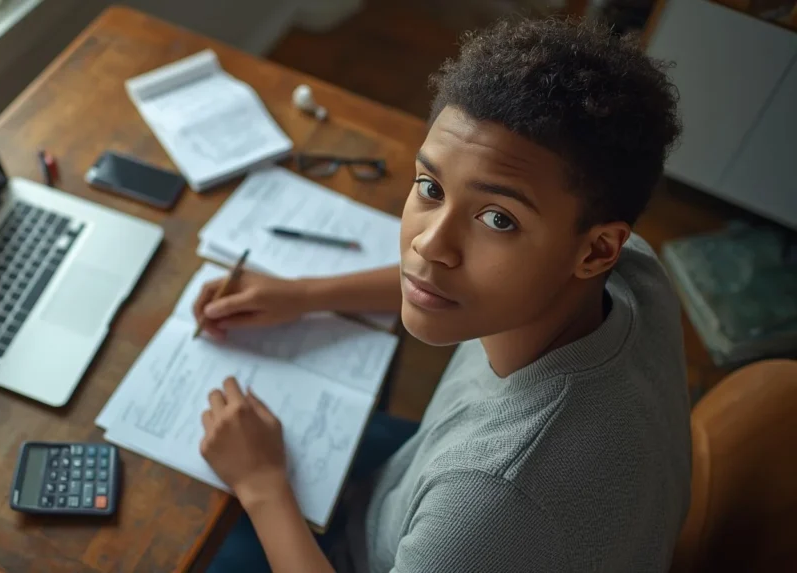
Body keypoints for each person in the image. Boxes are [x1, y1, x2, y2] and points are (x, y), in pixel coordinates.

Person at [193, 17, 691, 573]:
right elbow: (436, 273)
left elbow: (484, 510)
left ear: (597, 249)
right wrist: (304, 294)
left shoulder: (491, 505)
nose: (430, 247)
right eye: (431, 188)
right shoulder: (630, 271)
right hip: (408, 482)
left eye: (498, 219)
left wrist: (263, 487)